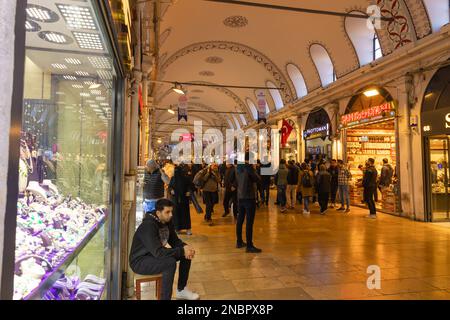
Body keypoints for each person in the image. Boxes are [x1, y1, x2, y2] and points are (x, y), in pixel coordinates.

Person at [129, 199, 199, 300]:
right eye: (167, 212)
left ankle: (181, 290)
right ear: (158, 213)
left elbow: (174, 241)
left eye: (171, 211)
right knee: (169, 263)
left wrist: (185, 247)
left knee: (185, 253)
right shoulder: (148, 226)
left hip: (154, 254)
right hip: (140, 261)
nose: (171, 215)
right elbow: (159, 253)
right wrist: (181, 250)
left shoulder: (167, 221)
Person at [235, 152, 262, 253]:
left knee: (240, 220)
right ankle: (249, 245)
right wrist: (254, 169)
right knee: (249, 222)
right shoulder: (249, 168)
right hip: (249, 197)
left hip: (240, 196)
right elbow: (258, 179)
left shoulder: (238, 168)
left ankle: (239, 241)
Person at [169, 164, 193, 235]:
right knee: (176, 214)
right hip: (175, 199)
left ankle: (188, 229)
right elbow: (170, 186)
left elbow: (190, 186)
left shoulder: (185, 178)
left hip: (183, 199)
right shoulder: (173, 178)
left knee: (185, 214)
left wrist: (188, 191)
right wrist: (171, 190)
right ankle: (177, 228)